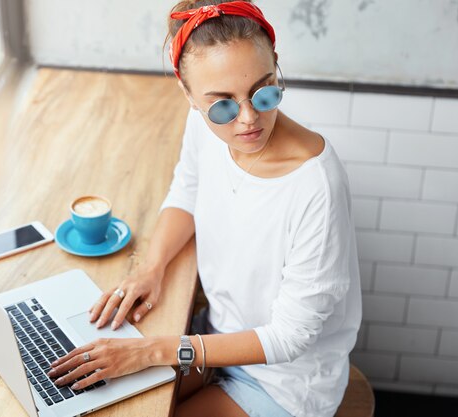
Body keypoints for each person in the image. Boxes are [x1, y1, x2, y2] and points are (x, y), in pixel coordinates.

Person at [47, 1, 362, 416]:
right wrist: (151, 268)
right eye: (222, 104)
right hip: (210, 337)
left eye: (264, 91)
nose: (247, 119)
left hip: (284, 384)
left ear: (276, 65)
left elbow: (289, 338)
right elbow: (187, 189)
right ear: (187, 92)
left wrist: (154, 351)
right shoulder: (202, 123)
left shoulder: (316, 185)